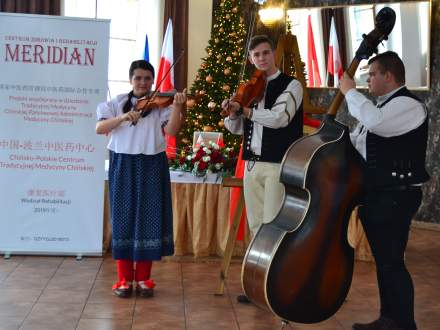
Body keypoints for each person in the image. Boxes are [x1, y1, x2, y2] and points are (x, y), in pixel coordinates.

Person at [340, 51, 429, 330]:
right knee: (384, 262)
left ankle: (404, 324)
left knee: (392, 263)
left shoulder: (408, 106)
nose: (369, 81)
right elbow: (360, 141)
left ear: (389, 76)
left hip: (396, 195)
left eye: (373, 74)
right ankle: (388, 319)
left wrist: (349, 92)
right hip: (379, 193)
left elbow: (376, 122)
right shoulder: (383, 107)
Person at [221, 35, 304, 303]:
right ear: (250, 59)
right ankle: (258, 286)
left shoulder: (291, 85)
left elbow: (280, 119)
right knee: (256, 225)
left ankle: (278, 287)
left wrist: (245, 111)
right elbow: (235, 130)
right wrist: (233, 114)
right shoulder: (249, 88)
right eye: (256, 55)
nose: (262, 58)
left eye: (266, 53)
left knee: (273, 225)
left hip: (278, 164)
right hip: (252, 165)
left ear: (274, 55)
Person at [96, 60, 186, 298]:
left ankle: (144, 278)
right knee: (123, 217)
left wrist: (177, 106)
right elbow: (99, 128)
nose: (143, 83)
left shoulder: (160, 105)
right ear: (130, 79)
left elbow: (173, 131)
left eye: (147, 78)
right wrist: (124, 117)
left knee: (150, 217)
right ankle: (124, 279)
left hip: (152, 163)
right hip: (123, 163)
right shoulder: (116, 103)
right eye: (138, 78)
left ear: (153, 81)